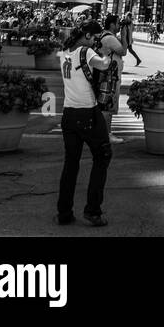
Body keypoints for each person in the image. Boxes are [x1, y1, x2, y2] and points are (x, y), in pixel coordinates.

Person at [56, 24, 114, 227]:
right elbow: (104, 65)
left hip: (68, 113)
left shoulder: (64, 52)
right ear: (87, 35)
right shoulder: (85, 50)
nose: (95, 41)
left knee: (71, 163)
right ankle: (93, 210)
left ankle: (64, 211)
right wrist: (107, 52)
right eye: (94, 37)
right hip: (87, 112)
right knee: (103, 155)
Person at [97, 15, 125, 142]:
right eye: (118, 23)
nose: (119, 26)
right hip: (110, 76)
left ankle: (102, 133)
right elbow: (123, 51)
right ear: (112, 25)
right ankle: (107, 134)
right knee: (108, 104)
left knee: (104, 103)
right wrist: (124, 36)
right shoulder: (110, 38)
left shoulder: (104, 35)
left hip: (105, 73)